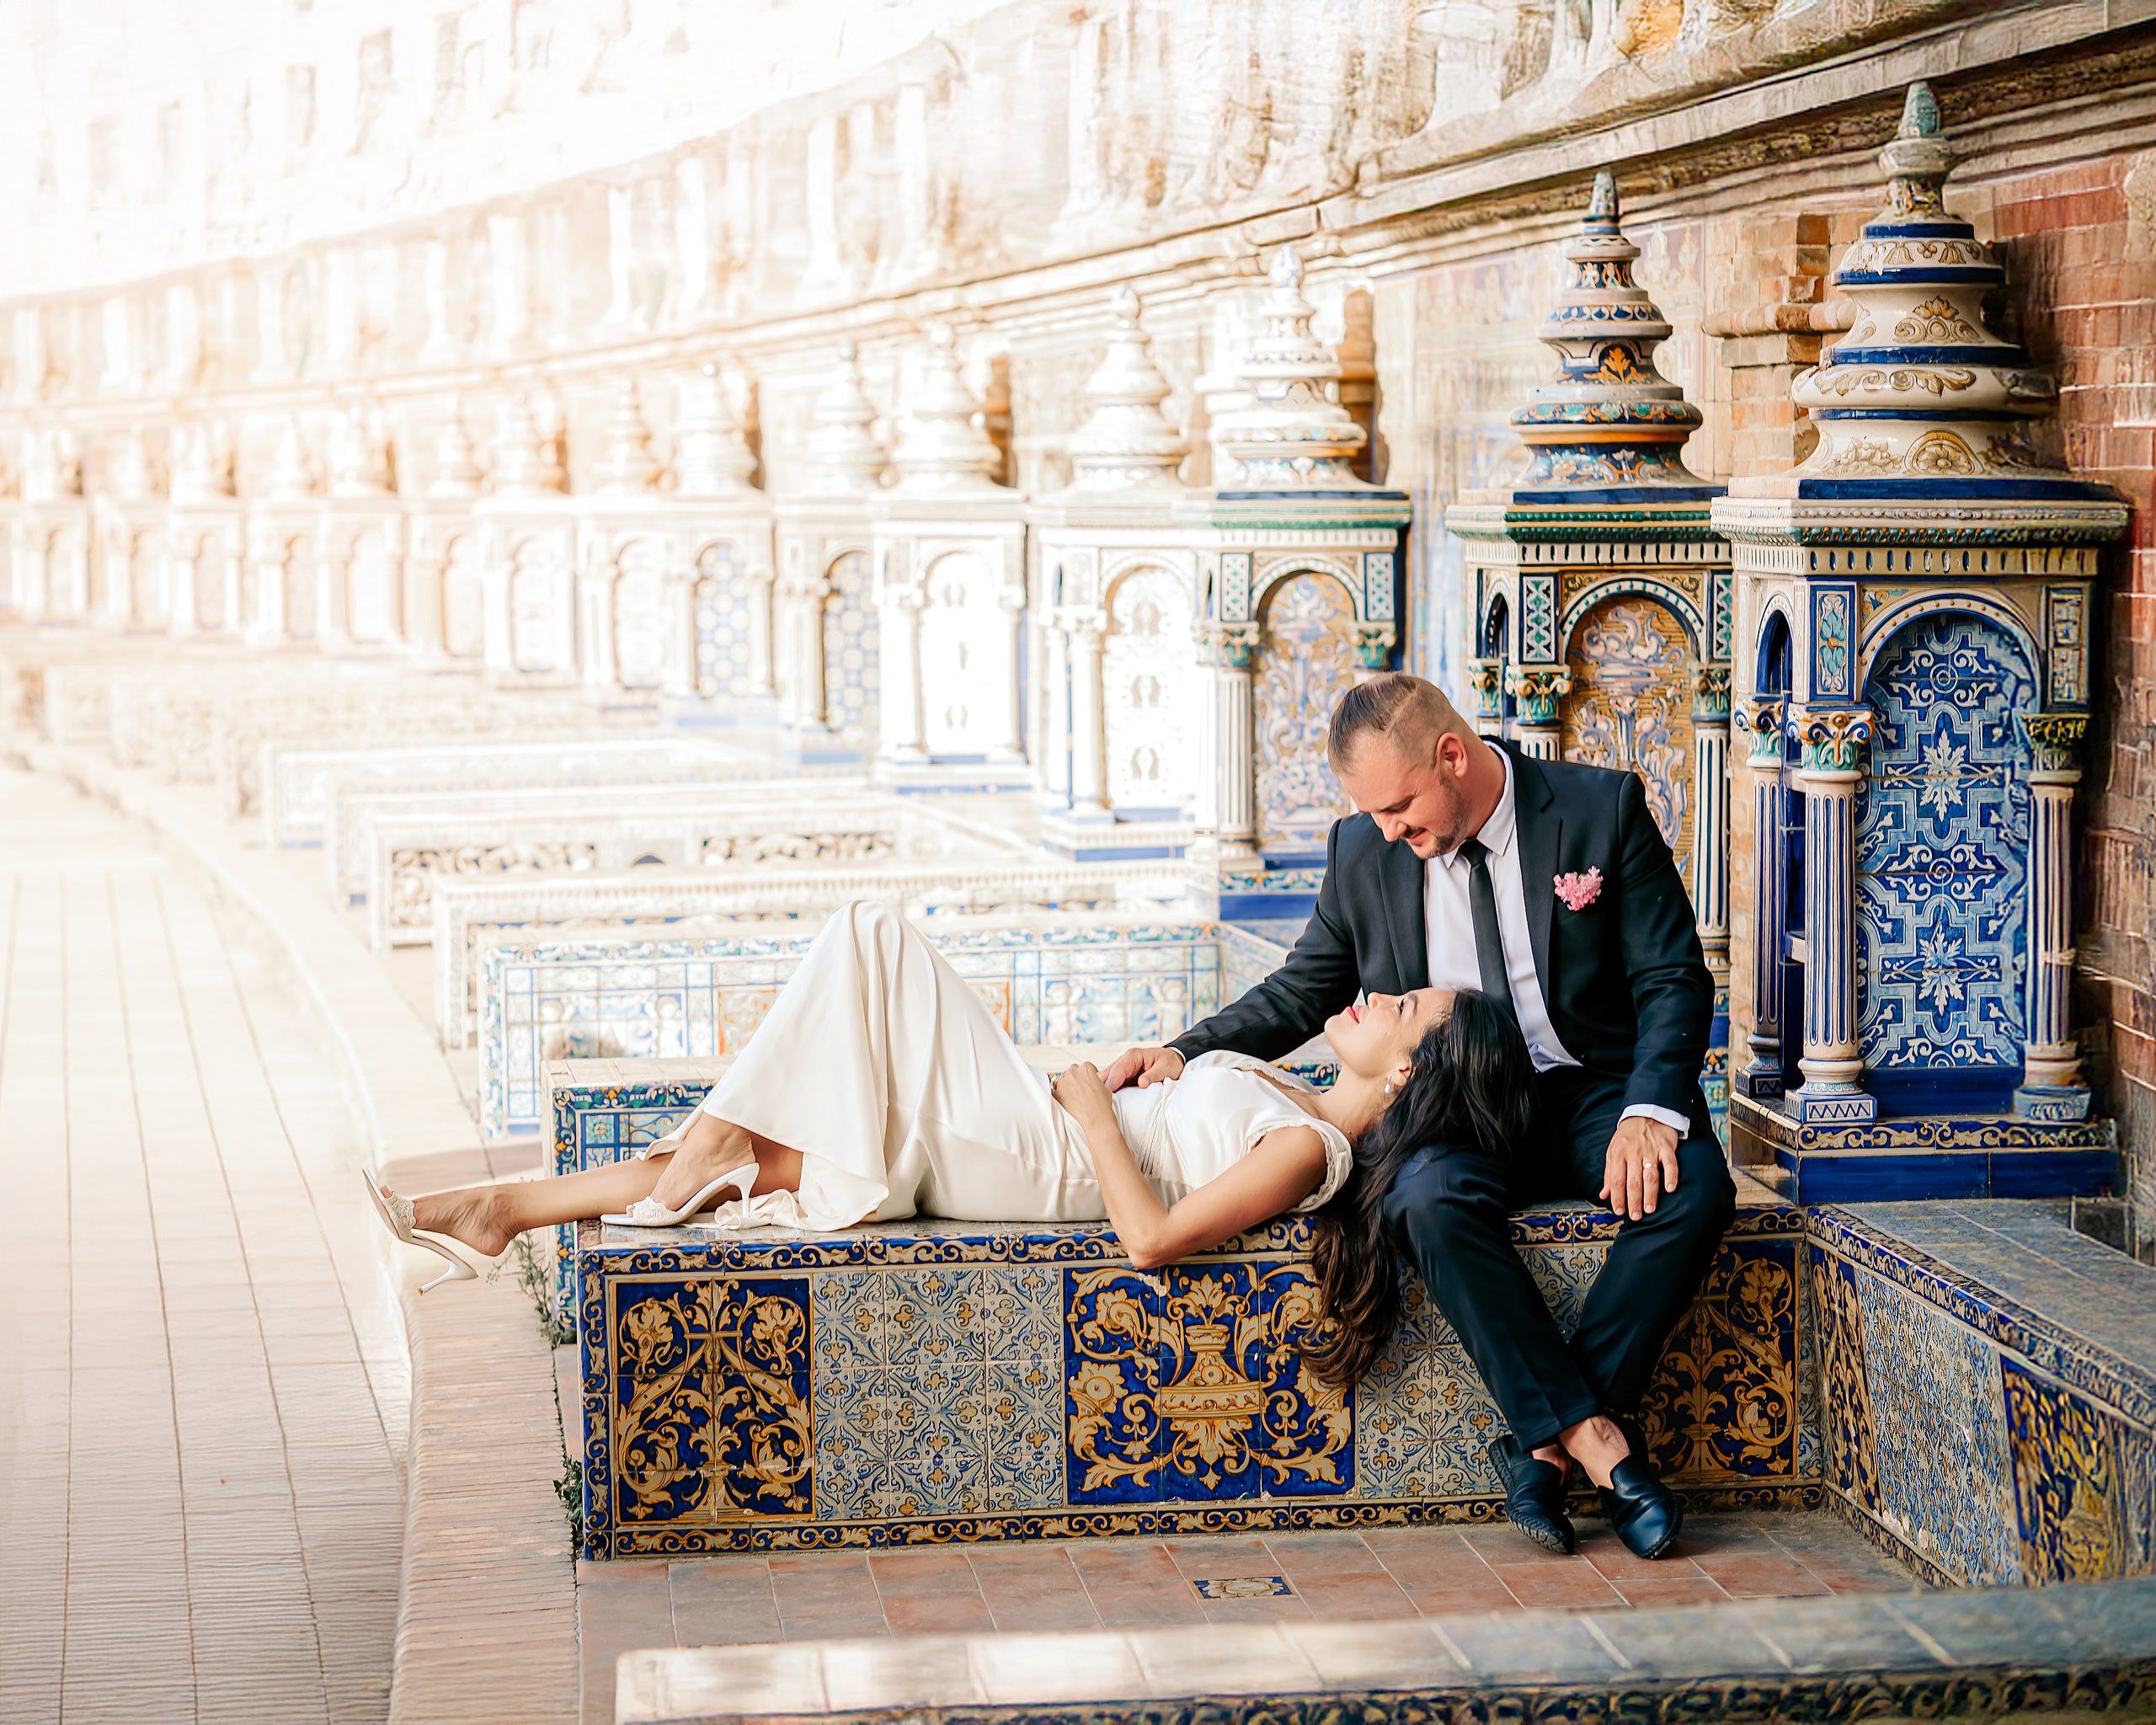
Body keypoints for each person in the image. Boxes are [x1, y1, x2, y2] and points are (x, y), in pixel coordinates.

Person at [1103, 672, 1735, 1561]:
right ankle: (1599, 1442)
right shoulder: (1364, 850)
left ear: (1452, 754)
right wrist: (1181, 1046)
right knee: (1423, 1198)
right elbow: (1302, 986)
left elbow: (1671, 975)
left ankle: (1541, 1442)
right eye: (1374, 815)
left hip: (1586, 1087)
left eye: (1399, 806)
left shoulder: (1600, 809)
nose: (1391, 832)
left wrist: (1651, 1109)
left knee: (1694, 1186)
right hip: (1456, 1103)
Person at [361, 898, 1495, 1293]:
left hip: (1038, 1156)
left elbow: (1150, 1239)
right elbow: (1181, 1127)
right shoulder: (1283, 1092)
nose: (1377, 991)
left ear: (1402, 1079)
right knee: (769, 1148)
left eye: (1401, 1009)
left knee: (872, 937)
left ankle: (682, 1156)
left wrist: (1098, 1118)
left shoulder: (1307, 1155)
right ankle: (499, 1213)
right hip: (1042, 1122)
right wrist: (1141, 1073)